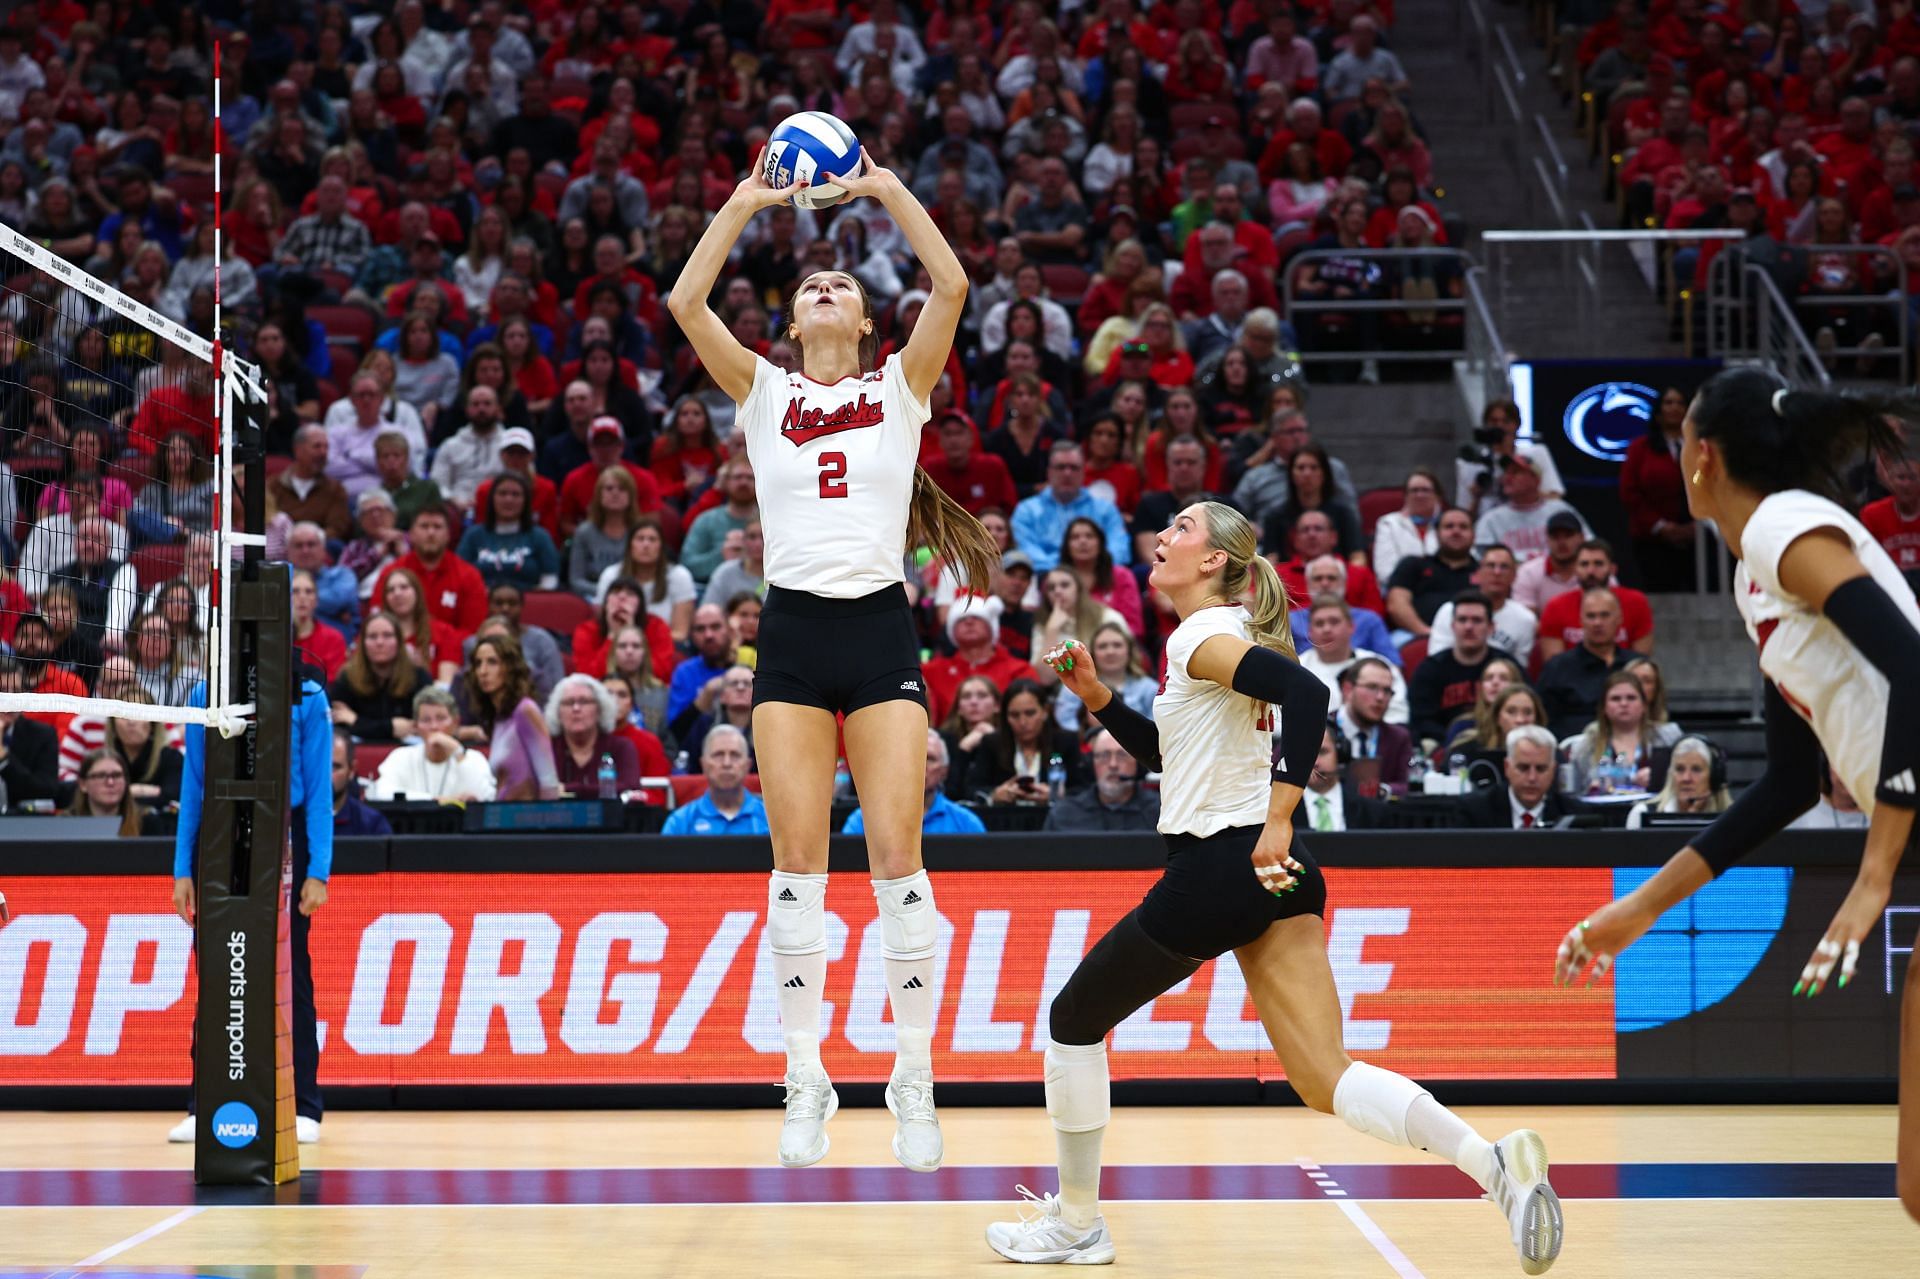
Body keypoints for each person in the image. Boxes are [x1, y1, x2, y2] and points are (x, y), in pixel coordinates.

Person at [987, 500, 1562, 1271]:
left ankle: (1079, 1223)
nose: (1161, 536)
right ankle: (1493, 1164)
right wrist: (1097, 697)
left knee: (1072, 1021)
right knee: (1327, 1076)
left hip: (1225, 863)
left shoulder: (1201, 632)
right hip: (1277, 878)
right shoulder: (1223, 640)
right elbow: (1171, 752)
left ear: (1215, 560)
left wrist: (1281, 814)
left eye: (1182, 529)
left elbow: (1311, 696)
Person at [667, 142, 999, 1174]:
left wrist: (880, 184)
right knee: (796, 874)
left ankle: (913, 1072)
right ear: (798, 317)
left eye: (841, 286)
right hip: (796, 636)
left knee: (900, 867)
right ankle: (806, 1074)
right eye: (812, 283)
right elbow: (687, 301)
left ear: (860, 322)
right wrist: (745, 199)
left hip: (879, 628)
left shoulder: (903, 384)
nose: (823, 287)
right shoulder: (763, 391)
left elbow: (951, 282)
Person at [1554, 373, 1920, 1226]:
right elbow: (1789, 782)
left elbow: (1914, 666)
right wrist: (1637, 910)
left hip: (1905, 829)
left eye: (1681, 439)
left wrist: (1873, 875)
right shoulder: (1757, 575)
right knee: (1913, 1189)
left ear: (1703, 455)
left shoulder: (1786, 523)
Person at [170, 670, 333, 1145]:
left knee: (290, 971)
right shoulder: (206, 692)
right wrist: (184, 866)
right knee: (215, 971)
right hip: (222, 833)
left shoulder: (305, 690)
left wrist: (319, 868)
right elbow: (193, 783)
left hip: (285, 831)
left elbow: (320, 787)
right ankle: (204, 1105)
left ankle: (304, 1104)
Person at [1408, 593, 1518, 743]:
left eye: (1477, 621)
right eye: (1462, 620)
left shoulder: (1508, 666)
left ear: (1491, 627)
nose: (1468, 627)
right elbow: (1421, 720)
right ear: (1453, 626)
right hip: (1444, 744)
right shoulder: (1430, 669)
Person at [372, 505, 490, 643]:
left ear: (448, 535)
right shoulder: (391, 572)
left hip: (453, 654)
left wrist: (439, 645)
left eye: (437, 527)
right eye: (424, 526)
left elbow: (473, 631)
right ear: (411, 535)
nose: (431, 532)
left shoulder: (469, 575)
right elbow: (378, 622)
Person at [466, 631, 560, 801]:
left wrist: (548, 821)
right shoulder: (498, 718)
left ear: (510, 667)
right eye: (478, 664)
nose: (483, 671)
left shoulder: (525, 710)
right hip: (502, 817)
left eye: (492, 662)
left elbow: (548, 780)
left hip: (526, 820)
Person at [1620, 386, 1698, 591]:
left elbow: (1706, 482)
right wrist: (1660, 526)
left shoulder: (1700, 448)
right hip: (1652, 538)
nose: (1674, 408)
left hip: (1697, 537)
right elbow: (1630, 491)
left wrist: (1697, 524)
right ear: (1658, 411)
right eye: (1668, 402)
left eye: (1680, 403)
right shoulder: (1640, 448)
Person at [1012, 441, 1132, 573]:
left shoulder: (1105, 510)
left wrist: (1086, 567)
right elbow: (1026, 554)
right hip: (1044, 582)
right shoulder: (1027, 510)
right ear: (1049, 472)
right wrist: (1072, 567)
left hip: (1097, 579)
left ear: (1083, 472)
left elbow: (1120, 552)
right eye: (1061, 467)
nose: (1067, 473)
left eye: (1074, 468)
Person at [1536, 590, 1642, 739]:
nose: (1597, 623)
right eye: (1591, 616)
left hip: (1628, 751)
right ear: (1581, 620)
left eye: (1605, 615)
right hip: (1571, 753)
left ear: (1619, 619)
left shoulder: (1636, 666)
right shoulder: (1557, 667)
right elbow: (1542, 720)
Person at [966, 678, 1089, 804]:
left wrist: (1057, 795)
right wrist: (994, 795)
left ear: (1045, 711)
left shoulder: (1065, 742)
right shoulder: (992, 743)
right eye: (1014, 715)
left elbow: (1084, 789)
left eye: (1030, 713)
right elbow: (972, 789)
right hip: (1006, 819)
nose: (1023, 722)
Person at [364, 687, 497, 803]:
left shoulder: (474, 759)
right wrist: (435, 800)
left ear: (456, 722)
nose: (434, 727)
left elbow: (485, 798)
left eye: (441, 718)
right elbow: (381, 793)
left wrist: (456, 750)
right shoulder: (400, 757)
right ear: (416, 726)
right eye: (426, 720)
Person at [1561, 670, 1680, 797]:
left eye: (1631, 698)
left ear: (1644, 705)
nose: (1624, 704)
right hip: (1602, 813)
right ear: (1604, 708)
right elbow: (1572, 794)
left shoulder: (1668, 737)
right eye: (1615, 699)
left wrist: (1659, 777)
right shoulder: (1584, 746)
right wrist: (1592, 789)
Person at [924, 596, 1041, 724]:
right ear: (952, 630)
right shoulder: (930, 672)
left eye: (977, 617)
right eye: (961, 619)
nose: (969, 622)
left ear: (992, 627)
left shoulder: (1020, 671)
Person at [845, 730, 987, 835]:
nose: (920, 766)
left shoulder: (966, 823)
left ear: (944, 770)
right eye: (911, 757)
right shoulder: (863, 820)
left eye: (930, 759)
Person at [1536, 541, 1656, 659]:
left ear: (1612, 569)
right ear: (1575, 570)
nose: (1591, 571)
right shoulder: (1556, 607)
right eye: (1584, 564)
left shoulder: (1636, 602)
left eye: (1598, 564)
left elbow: (1641, 662)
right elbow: (1555, 666)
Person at [1300, 600, 1409, 725]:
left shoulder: (1380, 666)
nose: (1327, 629)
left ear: (1351, 627)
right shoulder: (1297, 667)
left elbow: (1398, 715)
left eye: (1334, 622)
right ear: (1310, 632)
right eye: (1319, 624)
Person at [327, 614, 430, 743]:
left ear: (399, 641)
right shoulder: (347, 678)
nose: (380, 642)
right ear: (363, 643)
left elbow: (422, 726)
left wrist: (356, 721)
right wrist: (391, 727)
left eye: (387, 635)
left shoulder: (419, 677)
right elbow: (339, 725)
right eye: (372, 636)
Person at [1427, 545, 1538, 662]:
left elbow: (1518, 672)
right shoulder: (1449, 611)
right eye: (1491, 566)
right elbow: (1437, 663)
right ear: (1478, 573)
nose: (1497, 572)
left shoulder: (1525, 619)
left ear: (1515, 575)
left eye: (1504, 567)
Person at [546, 673, 649, 797]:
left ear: (600, 709)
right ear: (557, 712)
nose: (576, 708)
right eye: (568, 702)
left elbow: (630, 787)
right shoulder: (547, 749)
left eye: (584, 701)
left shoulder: (621, 746)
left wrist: (569, 789)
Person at [1473, 455, 1588, 564]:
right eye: (1506, 473)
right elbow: (1479, 556)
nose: (1507, 478)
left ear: (1536, 479)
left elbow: (1588, 545)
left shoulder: (1560, 510)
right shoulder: (1491, 519)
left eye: (1516, 472)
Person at [1042, 728, 1160, 832]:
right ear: (1091, 764)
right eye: (1104, 755)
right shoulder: (1064, 814)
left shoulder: (1161, 813)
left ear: (1138, 764)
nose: (1113, 764)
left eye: (1122, 755)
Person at [1385, 508, 1478, 640]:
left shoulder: (1485, 571)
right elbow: (1397, 604)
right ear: (1436, 534)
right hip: (1415, 634)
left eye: (1463, 527)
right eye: (1449, 526)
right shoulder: (1412, 564)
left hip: (1474, 637)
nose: (1456, 532)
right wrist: (1425, 632)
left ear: (1474, 535)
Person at [1458, 724, 1575, 829]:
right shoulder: (1475, 810)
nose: (1532, 778)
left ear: (1553, 770)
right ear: (1507, 767)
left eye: (1541, 769)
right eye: (1523, 768)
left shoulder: (1572, 813)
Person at [661, 725, 769, 835]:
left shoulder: (771, 818)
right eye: (718, 755)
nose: (727, 763)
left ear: (748, 765)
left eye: (735, 755)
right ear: (703, 764)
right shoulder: (680, 822)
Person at [1050, 622, 1156, 735]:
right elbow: (1066, 722)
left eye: (1117, 645)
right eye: (1102, 646)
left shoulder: (1149, 688)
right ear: (1092, 654)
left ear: (1129, 651)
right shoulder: (1076, 683)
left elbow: (1155, 728)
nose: (1110, 652)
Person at [1333, 657, 1415, 793]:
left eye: (1387, 690)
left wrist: (1382, 790)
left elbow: (1408, 785)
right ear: (1348, 689)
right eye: (1372, 687)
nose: (1380, 697)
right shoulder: (1321, 730)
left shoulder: (1398, 738)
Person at [1294, 725, 1392, 832]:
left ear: (1341, 754)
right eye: (1306, 754)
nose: (1315, 763)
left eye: (1322, 752)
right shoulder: (1279, 812)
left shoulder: (1373, 812)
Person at [1626, 736, 1732, 828]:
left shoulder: (1731, 819)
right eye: (1680, 769)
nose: (1686, 778)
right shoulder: (1640, 814)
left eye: (1696, 769)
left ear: (1714, 777)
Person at [1446, 684, 1549, 774]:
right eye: (1511, 711)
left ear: (1537, 718)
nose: (1520, 720)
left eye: (1527, 712)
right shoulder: (1466, 749)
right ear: (1497, 717)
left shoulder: (1549, 751)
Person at [1372, 467, 1444, 584]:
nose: (1419, 495)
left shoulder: (1452, 523)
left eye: (1425, 490)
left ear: (1437, 495)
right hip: (1401, 589)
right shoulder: (1388, 523)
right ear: (1405, 496)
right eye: (1414, 490)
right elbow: (1384, 572)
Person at [1512, 512, 1592, 615]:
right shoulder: (1528, 572)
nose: (1561, 542)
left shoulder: (1595, 571)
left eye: (1568, 536)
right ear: (1547, 539)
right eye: (1555, 537)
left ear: (1582, 538)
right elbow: (1524, 619)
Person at [65, 746, 147, 836]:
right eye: (101, 776)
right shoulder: (66, 823)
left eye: (117, 775)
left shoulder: (146, 821)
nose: (110, 782)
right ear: (83, 785)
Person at [330, 730, 393, 836]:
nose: (326, 776)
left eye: (335, 767)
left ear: (352, 770)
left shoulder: (373, 824)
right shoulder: (293, 820)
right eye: (320, 766)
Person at [1788, 764, 1872, 831]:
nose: (1848, 774)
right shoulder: (1803, 810)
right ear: (1827, 767)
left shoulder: (1881, 812)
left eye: (1855, 766)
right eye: (1842, 765)